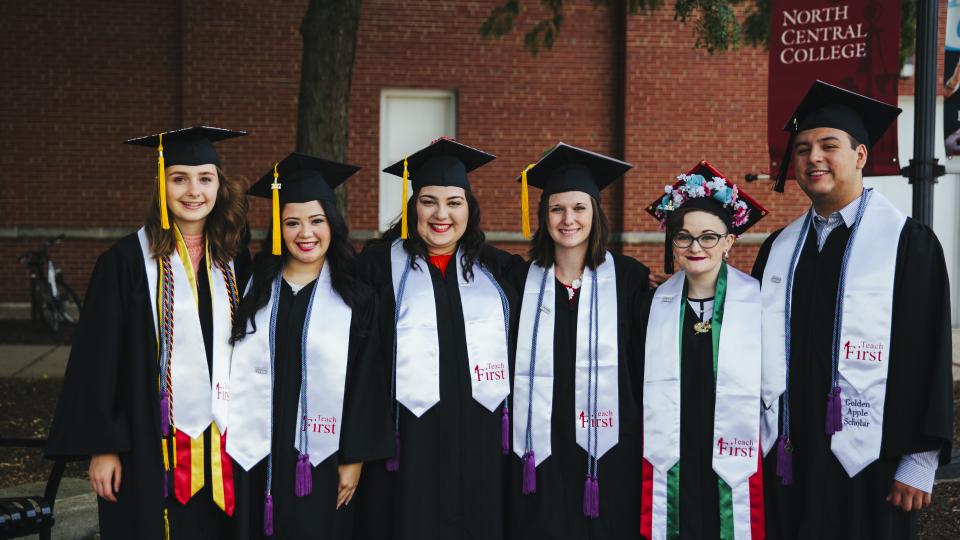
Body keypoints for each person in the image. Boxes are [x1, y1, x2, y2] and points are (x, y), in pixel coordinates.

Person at [755, 81, 954, 539]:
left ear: (861, 156)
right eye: (803, 149)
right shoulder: (779, 250)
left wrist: (920, 459)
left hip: (875, 462)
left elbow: (930, 348)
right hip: (790, 453)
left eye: (829, 146)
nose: (813, 158)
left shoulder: (908, 244)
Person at [46, 126, 250, 538]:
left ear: (219, 187)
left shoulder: (235, 258)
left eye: (205, 179)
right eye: (179, 179)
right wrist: (104, 447)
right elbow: (98, 360)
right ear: (161, 185)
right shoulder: (122, 264)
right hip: (148, 441)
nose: (193, 191)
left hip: (227, 440)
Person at [350, 137, 519, 540]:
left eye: (454, 202)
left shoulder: (501, 273)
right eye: (429, 201)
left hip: (481, 449)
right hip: (404, 449)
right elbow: (357, 364)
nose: (441, 214)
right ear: (413, 208)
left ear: (469, 209)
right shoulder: (374, 269)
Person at [226, 153, 392, 539]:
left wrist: (354, 458)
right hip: (256, 449)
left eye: (316, 221)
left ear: (332, 224)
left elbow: (368, 383)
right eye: (292, 223)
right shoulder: (252, 288)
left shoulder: (357, 298)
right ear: (278, 228)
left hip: (323, 454)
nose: (305, 233)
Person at [507, 142, 650, 539]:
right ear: (544, 216)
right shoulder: (519, 282)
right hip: (539, 445)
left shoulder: (631, 279)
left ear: (595, 213)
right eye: (557, 209)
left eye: (579, 208)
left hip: (609, 449)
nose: (568, 219)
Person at [639, 161, 768, 539]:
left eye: (709, 237)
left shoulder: (758, 302)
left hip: (737, 453)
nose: (696, 247)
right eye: (684, 237)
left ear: (729, 242)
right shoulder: (651, 306)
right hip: (673, 452)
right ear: (673, 242)